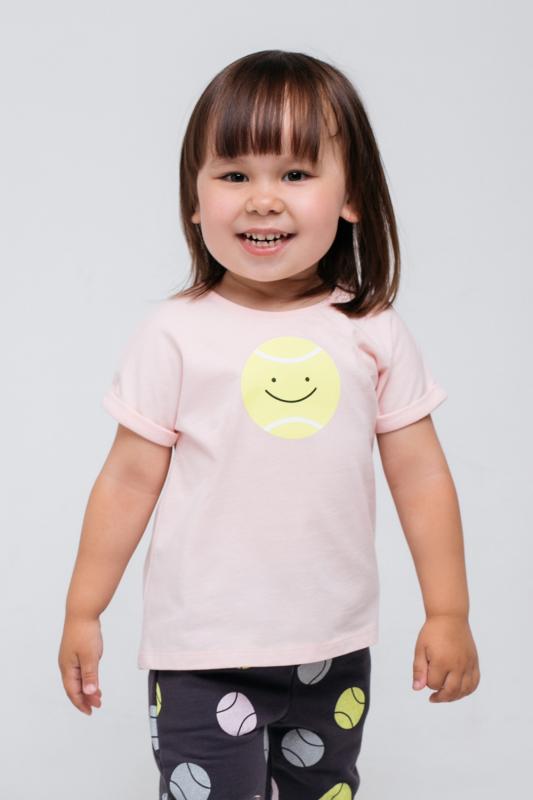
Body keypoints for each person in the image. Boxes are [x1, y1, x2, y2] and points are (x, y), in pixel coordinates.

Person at [58, 49, 480, 800]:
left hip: (332, 648)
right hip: (201, 653)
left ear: (352, 196)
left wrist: (448, 611)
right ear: (194, 199)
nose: (262, 200)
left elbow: (420, 477)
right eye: (233, 175)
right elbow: (127, 480)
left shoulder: (371, 330)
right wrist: (83, 609)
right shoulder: (175, 334)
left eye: (294, 173)